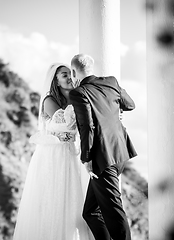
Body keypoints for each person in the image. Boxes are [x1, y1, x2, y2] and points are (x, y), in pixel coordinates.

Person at [12, 63, 93, 240]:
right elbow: (67, 123)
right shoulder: (49, 100)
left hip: (69, 153)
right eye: (64, 75)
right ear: (55, 81)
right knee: (51, 198)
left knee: (70, 200)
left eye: (70, 74)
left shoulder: (76, 97)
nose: (69, 77)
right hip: (52, 155)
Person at [69, 54, 137, 240]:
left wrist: (87, 159)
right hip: (120, 153)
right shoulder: (111, 82)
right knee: (90, 212)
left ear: (74, 72)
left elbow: (87, 127)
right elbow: (130, 104)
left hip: (102, 159)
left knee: (114, 211)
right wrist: (113, 110)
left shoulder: (78, 93)